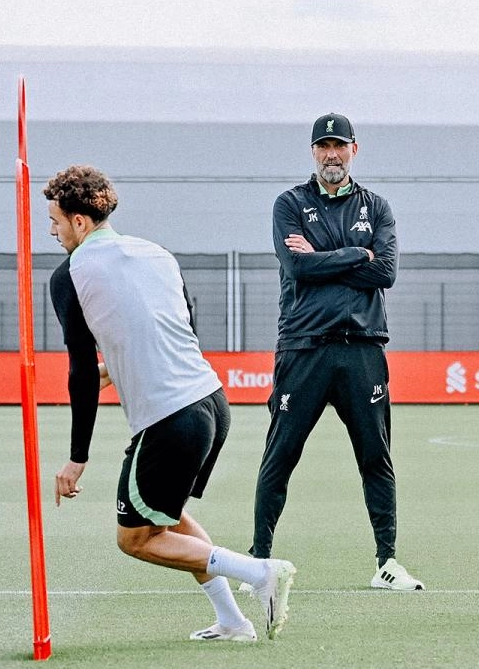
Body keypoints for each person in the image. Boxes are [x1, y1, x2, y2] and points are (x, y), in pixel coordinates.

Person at [46, 164, 295, 641]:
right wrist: (114, 369)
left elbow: (78, 370)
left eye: (56, 221)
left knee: (136, 538)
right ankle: (232, 621)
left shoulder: (70, 275)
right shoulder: (155, 253)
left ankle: (259, 573)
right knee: (169, 516)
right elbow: (177, 332)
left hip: (170, 419)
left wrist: (77, 459)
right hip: (210, 404)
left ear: (80, 221)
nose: (52, 232)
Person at [250, 113, 425, 591]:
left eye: (339, 146)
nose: (332, 154)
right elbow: (298, 267)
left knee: (376, 457)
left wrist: (326, 255)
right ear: (313, 152)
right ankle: (258, 562)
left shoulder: (378, 206)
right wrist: (357, 254)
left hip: (362, 350)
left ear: (354, 149)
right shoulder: (290, 203)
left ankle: (387, 562)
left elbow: (385, 272)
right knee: (280, 456)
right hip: (303, 348)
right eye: (323, 146)